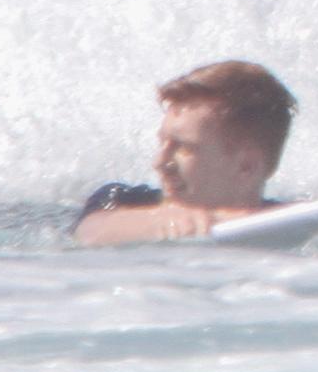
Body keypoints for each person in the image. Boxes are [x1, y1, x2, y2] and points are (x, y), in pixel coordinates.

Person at [72, 59, 295, 245]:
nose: (160, 163)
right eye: (163, 143)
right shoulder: (123, 200)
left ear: (246, 166)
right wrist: (164, 223)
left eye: (184, 147)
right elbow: (90, 232)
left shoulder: (292, 222)